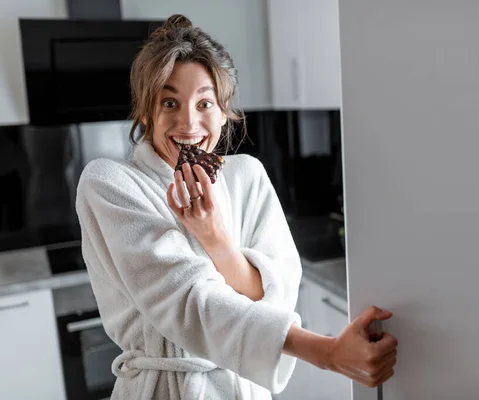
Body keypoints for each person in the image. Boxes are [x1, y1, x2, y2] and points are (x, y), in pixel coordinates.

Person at [76, 14, 398, 400]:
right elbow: (186, 301)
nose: (188, 122)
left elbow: (276, 298)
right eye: (169, 101)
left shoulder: (247, 177)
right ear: (146, 112)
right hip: (161, 389)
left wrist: (215, 238)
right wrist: (325, 352)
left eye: (205, 102)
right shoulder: (109, 183)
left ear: (224, 112)